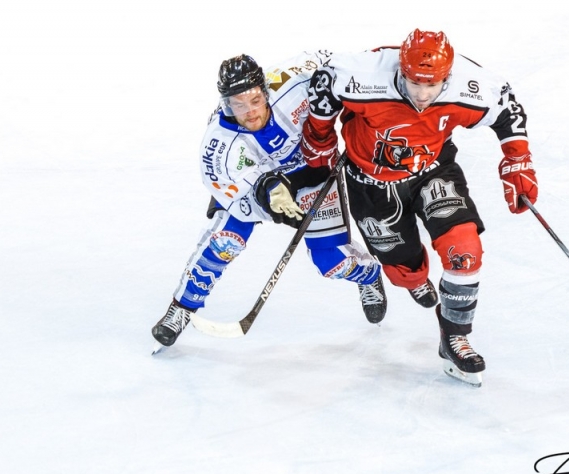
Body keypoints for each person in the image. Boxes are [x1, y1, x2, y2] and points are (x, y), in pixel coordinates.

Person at [300, 30, 538, 386]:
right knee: (403, 269)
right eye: (414, 83)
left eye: (434, 85)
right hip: (370, 183)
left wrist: (518, 161)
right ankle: (411, 279)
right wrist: (320, 136)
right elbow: (324, 84)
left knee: (466, 250)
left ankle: (455, 334)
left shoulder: (468, 85)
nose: (423, 95)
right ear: (402, 70)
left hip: (432, 171)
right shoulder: (365, 74)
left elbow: (506, 108)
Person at [151, 51, 387, 350]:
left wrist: (367, 110)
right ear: (225, 104)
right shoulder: (218, 146)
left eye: (254, 100)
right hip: (254, 183)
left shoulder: (292, 83)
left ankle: (368, 274)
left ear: (265, 90)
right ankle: (182, 308)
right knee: (226, 240)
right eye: (237, 104)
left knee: (331, 263)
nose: (249, 112)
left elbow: (340, 63)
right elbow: (236, 194)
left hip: (312, 170)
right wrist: (269, 197)